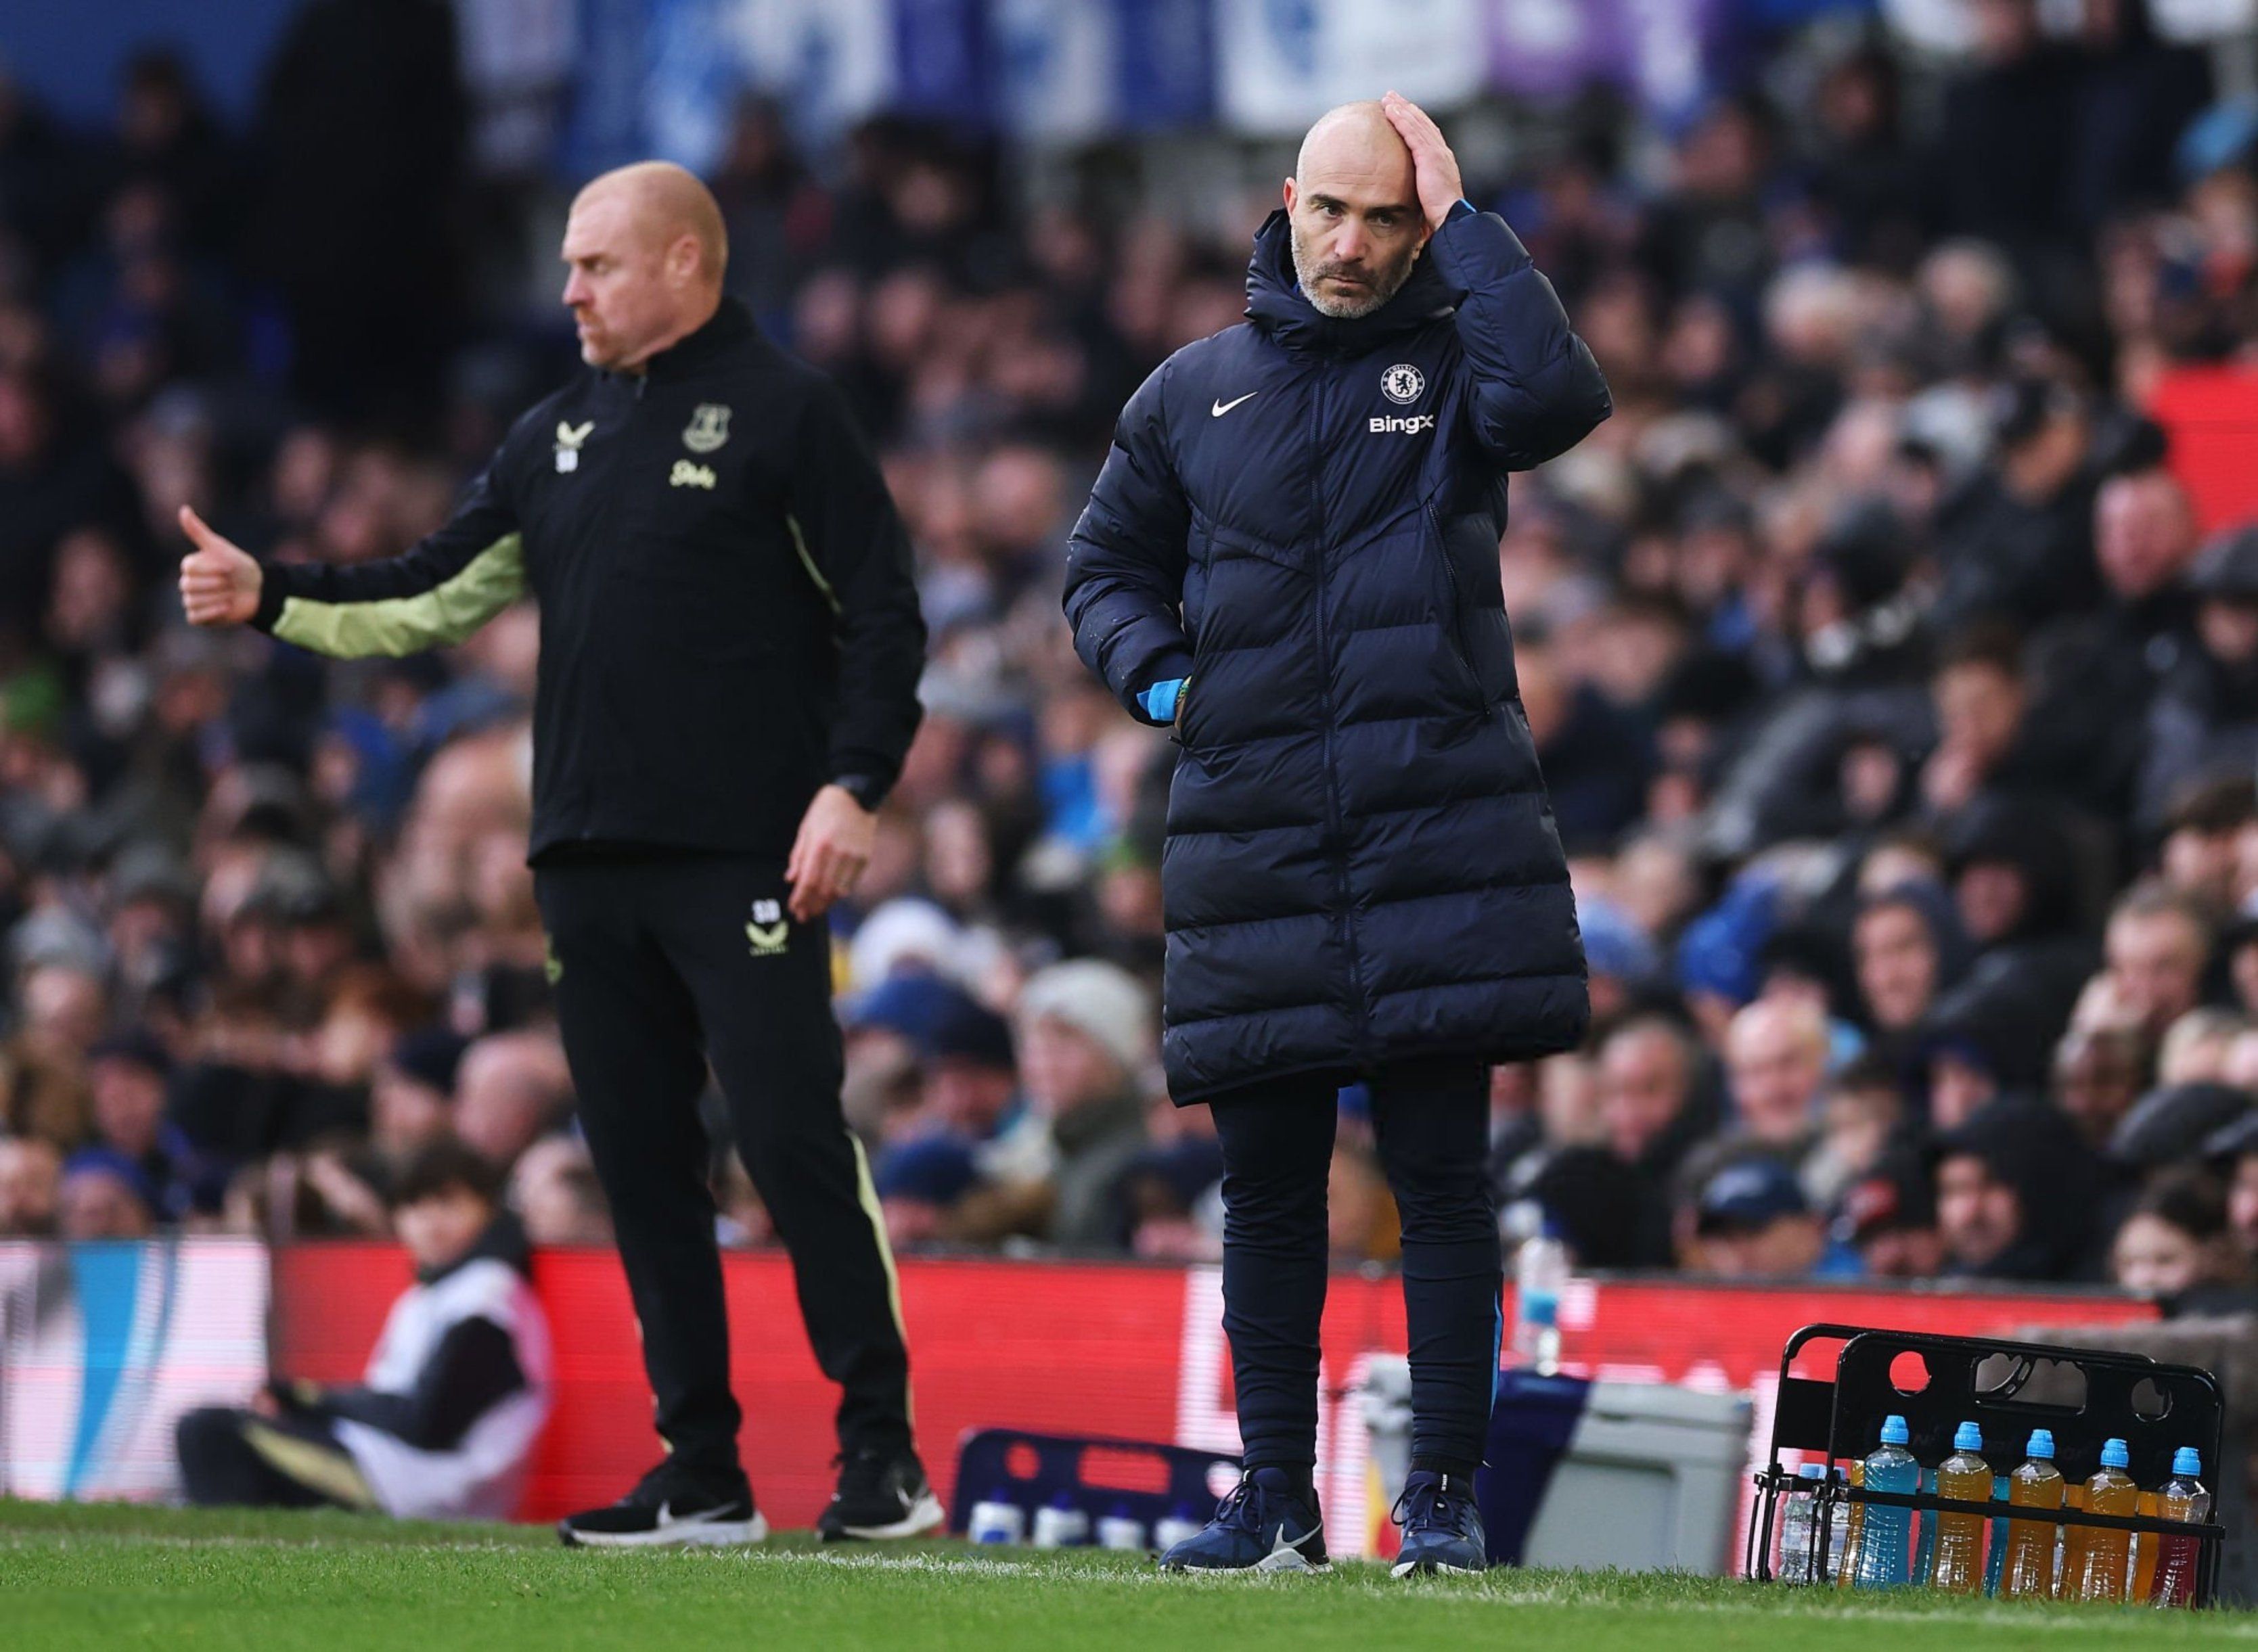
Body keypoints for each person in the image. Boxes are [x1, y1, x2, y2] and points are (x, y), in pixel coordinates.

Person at [175, 161, 937, 1546]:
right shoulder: (552, 435)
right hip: (584, 858)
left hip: (749, 854)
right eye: (570, 264)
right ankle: (701, 1472)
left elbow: (887, 620)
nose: (569, 288)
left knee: (788, 1141)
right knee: (643, 1166)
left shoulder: (787, 413)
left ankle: (879, 1453)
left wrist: (853, 788)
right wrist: (274, 596)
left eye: (597, 264)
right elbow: (425, 591)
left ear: (687, 264)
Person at [1062, 93, 1608, 1576]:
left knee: (1439, 1180)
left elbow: (1558, 404)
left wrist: (1468, 213)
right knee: (1269, 1196)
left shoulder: (1461, 360)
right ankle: (1273, 1500)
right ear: (1284, 201)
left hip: (1435, 826)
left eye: (1390, 218)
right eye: (1335, 211)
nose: (1356, 245)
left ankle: (1438, 1494)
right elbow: (1102, 564)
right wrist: (1163, 677)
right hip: (1256, 836)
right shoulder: (1189, 390)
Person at [175, 1139, 551, 1519]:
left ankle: (225, 1563)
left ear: (489, 1209)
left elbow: (426, 1423)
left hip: (418, 1486)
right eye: (415, 1207)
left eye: (447, 1203)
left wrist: (311, 1400)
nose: (431, 1223)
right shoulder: (438, 1291)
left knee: (208, 1432)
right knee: (234, 1431)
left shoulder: (489, 1297)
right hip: (389, 1469)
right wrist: (304, 1406)